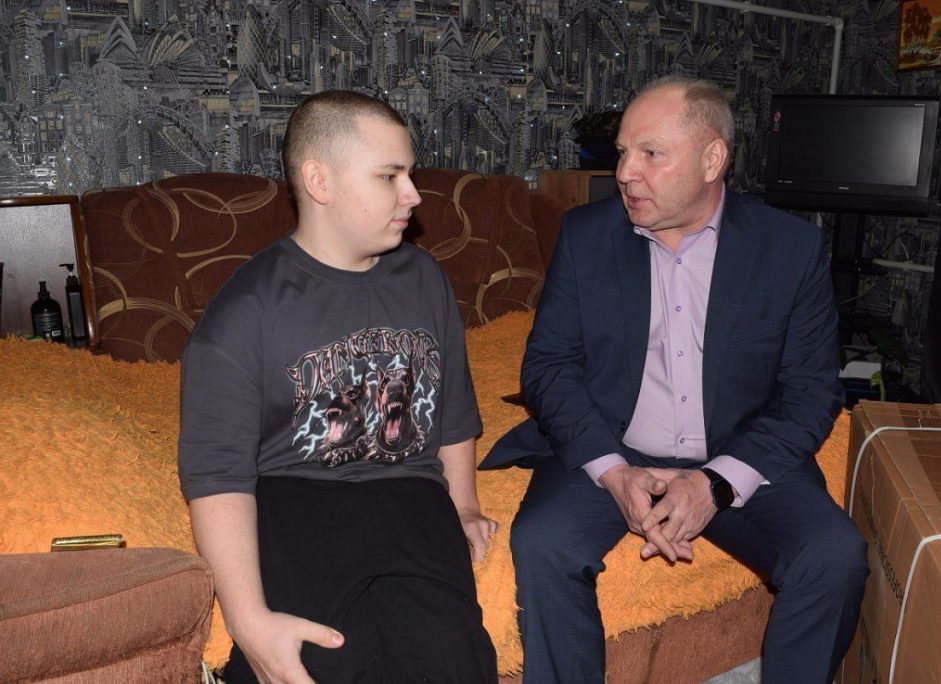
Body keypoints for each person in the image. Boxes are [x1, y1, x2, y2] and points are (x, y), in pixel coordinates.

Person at [481, 75, 869, 683]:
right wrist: (613, 472)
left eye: (651, 154)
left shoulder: (789, 249)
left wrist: (716, 484)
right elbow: (548, 367)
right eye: (622, 154)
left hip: (737, 450)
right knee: (543, 543)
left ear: (713, 160)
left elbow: (812, 391)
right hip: (613, 443)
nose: (625, 173)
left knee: (834, 555)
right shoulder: (586, 236)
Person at [178, 90, 498, 684]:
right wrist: (248, 621)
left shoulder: (424, 276)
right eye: (389, 176)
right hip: (295, 495)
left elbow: (452, 408)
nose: (413, 195)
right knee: (319, 663)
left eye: (410, 174)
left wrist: (464, 505)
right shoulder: (245, 310)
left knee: (454, 663)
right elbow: (217, 475)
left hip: (411, 490)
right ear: (319, 181)